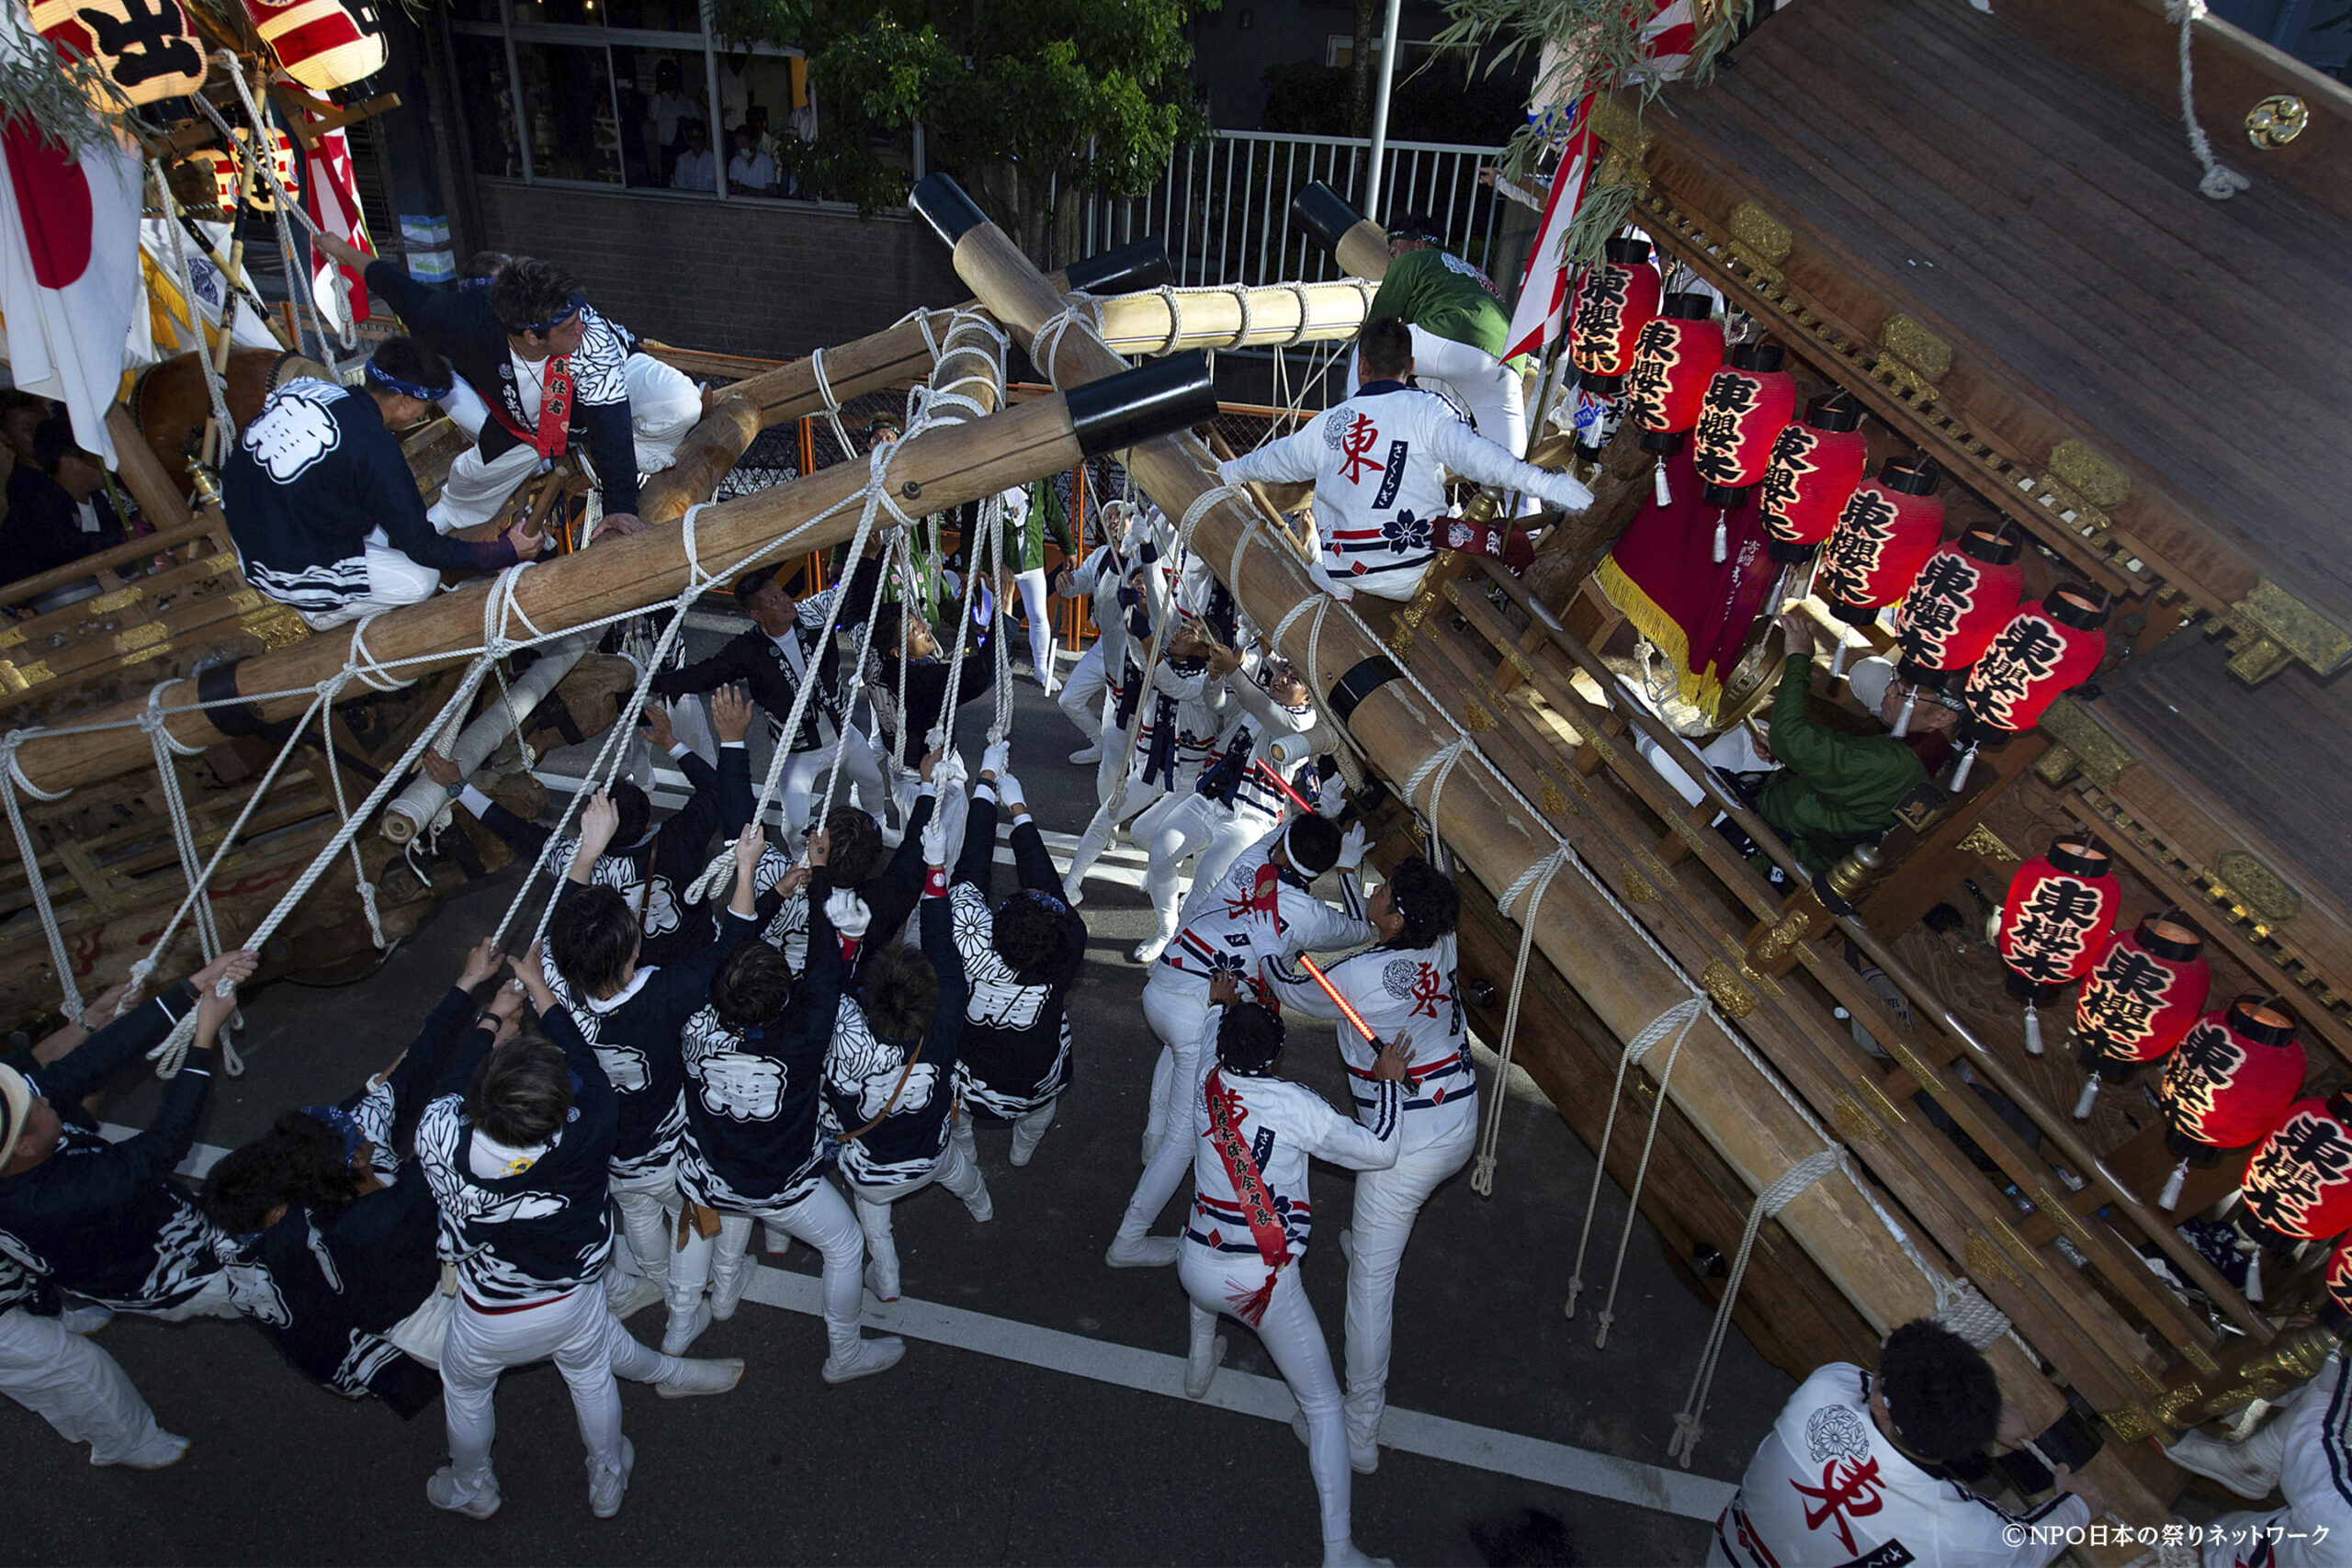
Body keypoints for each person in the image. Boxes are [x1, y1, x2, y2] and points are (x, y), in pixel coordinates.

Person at [414, 939, 747, 1522]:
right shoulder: (588, 1129)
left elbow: (448, 1076)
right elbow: (587, 1065)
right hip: (570, 1299)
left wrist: (494, 1017)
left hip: (485, 1309)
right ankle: (606, 1477)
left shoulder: (439, 1134)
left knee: (466, 1394)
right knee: (591, 1379)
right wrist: (540, 992)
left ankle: (473, 1487)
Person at [200, 942, 514, 1415]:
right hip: (418, 1318)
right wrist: (488, 1035)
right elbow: (440, 1126)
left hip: (409, 1272)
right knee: (474, 1388)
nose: (360, 1122)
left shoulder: (316, 1170)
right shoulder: (374, 1218)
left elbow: (407, 1074)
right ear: (358, 1163)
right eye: (355, 1134)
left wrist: (468, 985)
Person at [1176, 974, 1410, 1568]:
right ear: (1275, 1055)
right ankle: (1339, 1553)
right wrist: (1388, 1084)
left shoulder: (1207, 1077)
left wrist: (1220, 1003)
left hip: (1195, 1264)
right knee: (1324, 1406)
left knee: (1206, 1229)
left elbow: (1210, 1031)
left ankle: (1200, 1364)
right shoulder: (1296, 1106)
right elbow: (1379, 1150)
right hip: (1259, 1284)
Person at [1259, 856, 1474, 1473]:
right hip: (1457, 1118)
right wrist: (1353, 879)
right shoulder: (1443, 946)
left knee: (1371, 1290)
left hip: (1405, 1143)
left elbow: (1288, 981)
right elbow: (1372, 928)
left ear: (1401, 915)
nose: (1376, 890)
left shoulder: (1357, 979)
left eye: (1386, 890)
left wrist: (1282, 931)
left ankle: (1360, 1428)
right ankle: (1374, 1238)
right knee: (1379, 1235)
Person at [670, 826, 906, 1383]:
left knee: (702, 1221)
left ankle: (684, 1320)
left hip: (708, 1170)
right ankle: (843, 1353)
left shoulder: (690, 1017)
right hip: (783, 1184)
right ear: (784, 993)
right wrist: (820, 871)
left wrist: (756, 879)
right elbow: (827, 958)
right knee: (846, 1247)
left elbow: (727, 944)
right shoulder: (806, 1032)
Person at [0, 955, 248, 1470]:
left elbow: (74, 1071)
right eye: (33, 1106)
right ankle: (124, 1443)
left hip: (82, 1245)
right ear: (20, 1150)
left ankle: (53, 1309)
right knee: (68, 1369)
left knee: (37, 1279)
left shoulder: (23, 1157)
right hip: (152, 1276)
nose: (43, 1097)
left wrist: (188, 989)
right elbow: (161, 1148)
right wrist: (202, 1041)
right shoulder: (53, 1196)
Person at [1108, 812, 1376, 1268]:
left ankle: (1151, 1140)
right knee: (1185, 1140)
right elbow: (1363, 929)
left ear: (1282, 846)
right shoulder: (1312, 917)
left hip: (1162, 989)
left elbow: (1285, 829)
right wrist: (1348, 869)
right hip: (1202, 1010)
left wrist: (1323, 811)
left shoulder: (1250, 862)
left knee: (1177, 1058)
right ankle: (1128, 1241)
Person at [544, 800, 763, 1346]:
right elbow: (731, 942)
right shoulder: (662, 995)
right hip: (672, 1144)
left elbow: (556, 935)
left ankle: (667, 1290)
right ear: (635, 946)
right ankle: (688, 1311)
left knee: (637, 1214)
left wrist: (589, 851)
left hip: (611, 1147)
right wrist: (745, 870)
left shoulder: (554, 997)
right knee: (699, 1212)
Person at [1217, 317, 1593, 602]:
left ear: (1361, 366)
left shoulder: (1329, 423)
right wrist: (1547, 484)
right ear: (1410, 367)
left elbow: (1271, 460)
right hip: (1413, 573)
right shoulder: (1429, 410)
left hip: (1344, 572)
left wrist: (1227, 470)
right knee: (1500, 541)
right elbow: (1488, 461)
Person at [316, 236, 661, 537]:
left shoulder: (589, 337)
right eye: (568, 326)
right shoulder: (463, 320)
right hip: (523, 427)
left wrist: (620, 504)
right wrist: (342, 251)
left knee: (677, 407)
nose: (580, 329)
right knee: (469, 477)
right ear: (531, 336)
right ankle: (417, 534)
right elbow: (396, 287)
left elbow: (611, 421)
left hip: (597, 412)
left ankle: (645, 451)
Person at [1709, 1318, 2099, 1567]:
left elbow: (1881, 1389)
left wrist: (1987, 1417)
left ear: (1880, 1406)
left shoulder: (1824, 1392)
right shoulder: (1957, 1529)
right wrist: (2079, 1505)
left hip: (1729, 1555)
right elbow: (2027, 1547)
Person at [423, 685, 755, 970]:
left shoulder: (576, 858)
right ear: (649, 824)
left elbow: (515, 832)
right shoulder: (678, 839)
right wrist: (670, 742)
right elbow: (715, 790)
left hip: (628, 970)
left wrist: (458, 788)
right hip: (698, 955)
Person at [222, 339, 537, 630]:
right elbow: (425, 548)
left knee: (379, 528)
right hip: (282, 568)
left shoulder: (309, 388)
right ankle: (320, 612)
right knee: (421, 579)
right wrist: (505, 551)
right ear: (403, 400)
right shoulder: (376, 451)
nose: (420, 415)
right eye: (423, 408)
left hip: (245, 527)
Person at [820, 787, 992, 1304]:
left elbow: (825, 989)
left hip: (871, 1169)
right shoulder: (942, 1027)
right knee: (965, 1178)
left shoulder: (843, 1032)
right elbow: (944, 956)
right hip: (932, 1153)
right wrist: (936, 872)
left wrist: (849, 945)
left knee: (875, 1226)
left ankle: (888, 1277)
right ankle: (983, 1207)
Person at [651, 554, 895, 835]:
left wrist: (870, 555)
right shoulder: (748, 649)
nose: (786, 601)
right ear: (758, 615)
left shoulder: (813, 614)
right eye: (774, 600)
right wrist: (652, 685)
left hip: (843, 734)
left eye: (781, 593)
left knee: (873, 780)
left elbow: (853, 591)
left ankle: (877, 826)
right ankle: (796, 862)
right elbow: (706, 674)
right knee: (794, 824)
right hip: (796, 751)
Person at [1129, 656, 1320, 964]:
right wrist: (1216, 678)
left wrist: (1234, 669)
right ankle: (1167, 930)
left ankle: (1176, 956)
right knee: (1161, 854)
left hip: (1250, 819)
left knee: (1204, 889)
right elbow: (1218, 703)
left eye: (1294, 679)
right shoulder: (1259, 698)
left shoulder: (1304, 724)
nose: (1282, 678)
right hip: (1210, 798)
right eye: (1283, 671)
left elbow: (1268, 713)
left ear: (1309, 696)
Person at [945, 761, 1088, 1168]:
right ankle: (1022, 1150)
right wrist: (1019, 807)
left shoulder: (967, 940)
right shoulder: (1070, 942)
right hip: (1037, 1070)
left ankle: (966, 1148)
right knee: (1040, 1112)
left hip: (968, 1068)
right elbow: (1047, 885)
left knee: (957, 1110)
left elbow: (971, 868)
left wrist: (985, 786)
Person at [1745, 613, 1956, 874]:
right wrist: (1787, 751)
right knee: (1762, 732)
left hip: (1775, 835)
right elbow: (1834, 757)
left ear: (1944, 716)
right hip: (1789, 798)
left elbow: (1790, 736)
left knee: (1683, 762)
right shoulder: (1930, 751)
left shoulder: (1896, 763)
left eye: (1906, 694)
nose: (1889, 691)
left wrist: (1799, 658)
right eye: (1894, 681)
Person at [1361, 214, 1536, 513]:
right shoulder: (1471, 272)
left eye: (1393, 251)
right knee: (1517, 474)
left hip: (1454, 337)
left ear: (1417, 244)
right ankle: (1533, 539)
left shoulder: (1414, 261)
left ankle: (1359, 426)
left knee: (1372, 345)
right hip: (1508, 360)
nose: (1391, 260)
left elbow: (1380, 323)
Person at [2168, 1347, 2352, 1567]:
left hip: (2215, 1553)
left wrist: (2336, 1350)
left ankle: (2257, 1460)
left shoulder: (2342, 1521)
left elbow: (2318, 1432)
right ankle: (2260, 1458)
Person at [1054, 498, 1140, 764]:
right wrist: (1063, 584)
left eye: (1119, 514)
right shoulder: (1101, 555)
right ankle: (1101, 744)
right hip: (1106, 644)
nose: (1113, 519)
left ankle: (1135, 761)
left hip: (1137, 646)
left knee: (1130, 711)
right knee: (1068, 699)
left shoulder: (1145, 553)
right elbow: (1077, 584)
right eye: (1108, 516)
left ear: (1131, 519)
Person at [2, 412, 125, 592]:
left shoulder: (98, 500)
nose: (106, 462)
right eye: (96, 455)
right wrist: (122, 538)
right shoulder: (36, 504)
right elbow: (66, 550)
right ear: (70, 463)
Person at [725, 123, 775, 196]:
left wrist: (748, 189)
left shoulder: (767, 162)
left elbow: (770, 192)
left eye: (744, 145)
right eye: (739, 147)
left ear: (753, 143)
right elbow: (735, 188)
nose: (741, 149)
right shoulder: (735, 162)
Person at [673, 121, 718, 192]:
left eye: (700, 138)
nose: (698, 142)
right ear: (688, 140)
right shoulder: (682, 160)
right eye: (694, 139)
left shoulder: (714, 160)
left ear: (704, 139)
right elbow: (680, 187)